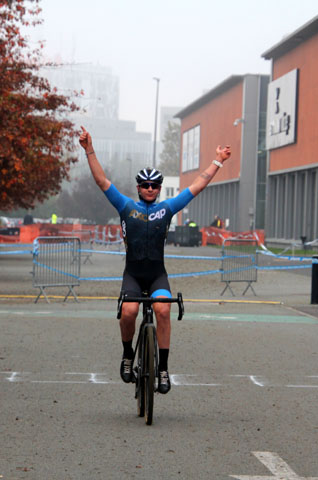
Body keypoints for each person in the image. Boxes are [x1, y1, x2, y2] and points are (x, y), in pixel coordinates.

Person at [79, 126, 231, 394]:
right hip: (133, 274)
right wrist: (89, 149)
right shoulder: (126, 206)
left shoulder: (167, 208)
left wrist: (218, 160)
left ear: (160, 189)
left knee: (162, 310)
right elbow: (102, 181)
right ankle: (128, 355)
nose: (150, 189)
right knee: (129, 312)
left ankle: (163, 368)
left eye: (155, 185)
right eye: (146, 185)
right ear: (138, 187)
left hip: (157, 274)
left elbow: (197, 185)